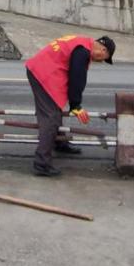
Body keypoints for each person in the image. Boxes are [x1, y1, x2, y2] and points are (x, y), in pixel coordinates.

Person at [25, 34, 115, 177]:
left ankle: (60, 143)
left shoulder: (83, 42)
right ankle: (42, 164)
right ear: (103, 50)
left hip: (45, 68)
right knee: (51, 117)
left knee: (55, 108)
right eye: (104, 58)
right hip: (44, 73)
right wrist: (75, 105)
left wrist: (74, 103)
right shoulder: (83, 51)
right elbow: (77, 78)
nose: (101, 61)